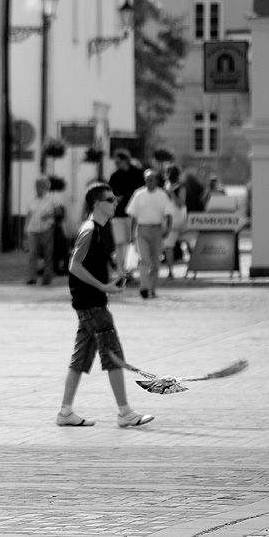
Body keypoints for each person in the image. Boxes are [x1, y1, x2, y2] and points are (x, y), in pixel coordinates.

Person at [56, 182, 154, 428]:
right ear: (98, 204)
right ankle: (125, 413)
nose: (115, 203)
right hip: (92, 305)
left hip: (90, 303)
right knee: (114, 356)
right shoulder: (90, 229)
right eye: (110, 200)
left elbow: (92, 263)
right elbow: (74, 266)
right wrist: (103, 287)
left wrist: (113, 278)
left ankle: (65, 412)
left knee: (80, 359)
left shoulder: (101, 229)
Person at [125, 169, 173, 299]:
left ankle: (152, 288)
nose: (149, 182)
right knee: (144, 260)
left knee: (156, 262)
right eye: (147, 179)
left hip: (157, 229)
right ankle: (144, 288)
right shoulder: (139, 194)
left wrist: (168, 229)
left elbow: (169, 213)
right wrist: (131, 233)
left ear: (156, 180)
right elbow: (133, 215)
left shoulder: (162, 195)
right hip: (142, 229)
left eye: (151, 179)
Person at [108, 149, 145, 279]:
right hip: (117, 213)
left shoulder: (137, 174)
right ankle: (120, 271)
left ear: (125, 160)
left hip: (133, 214)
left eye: (119, 161)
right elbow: (110, 194)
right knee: (119, 243)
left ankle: (130, 270)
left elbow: (141, 192)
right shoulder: (115, 176)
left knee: (133, 242)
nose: (117, 164)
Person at [25, 175, 57, 285]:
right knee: (32, 254)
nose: (38, 188)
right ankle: (32, 277)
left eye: (41, 186)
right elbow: (28, 214)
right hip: (33, 230)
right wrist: (26, 229)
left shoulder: (51, 199)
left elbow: (58, 213)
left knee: (48, 255)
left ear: (46, 187)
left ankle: (47, 278)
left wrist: (49, 215)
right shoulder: (31, 199)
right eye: (37, 186)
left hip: (46, 229)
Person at [163, 183, 188, 277]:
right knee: (168, 248)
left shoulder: (180, 191)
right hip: (171, 226)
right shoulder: (172, 198)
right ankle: (170, 270)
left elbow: (181, 204)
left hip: (179, 226)